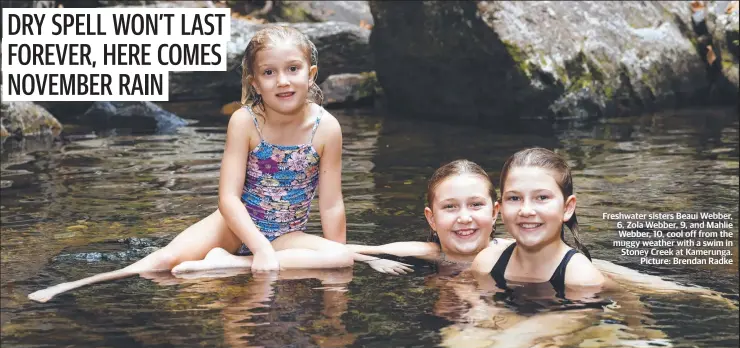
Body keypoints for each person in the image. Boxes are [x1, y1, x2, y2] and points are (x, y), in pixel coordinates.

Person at [28, 26, 407, 304]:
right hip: (234, 223)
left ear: (310, 74)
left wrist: (336, 261)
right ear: (255, 82)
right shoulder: (245, 121)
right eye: (269, 73)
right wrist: (258, 247)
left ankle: (222, 265)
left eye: (293, 69)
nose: (283, 81)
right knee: (161, 262)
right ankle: (69, 287)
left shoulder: (327, 128)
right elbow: (228, 198)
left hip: (286, 233)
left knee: (339, 257)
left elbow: (331, 204)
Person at [470, 147, 605, 297]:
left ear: (567, 207)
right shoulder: (485, 264)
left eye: (542, 197)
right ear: (500, 208)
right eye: (514, 198)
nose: (526, 210)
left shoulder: (582, 279)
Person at [348, 159, 510, 266]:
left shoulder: (512, 252)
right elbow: (338, 249)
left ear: (495, 212)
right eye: (450, 207)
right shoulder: (427, 253)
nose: (464, 218)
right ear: (431, 218)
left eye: (475, 204)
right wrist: (370, 259)